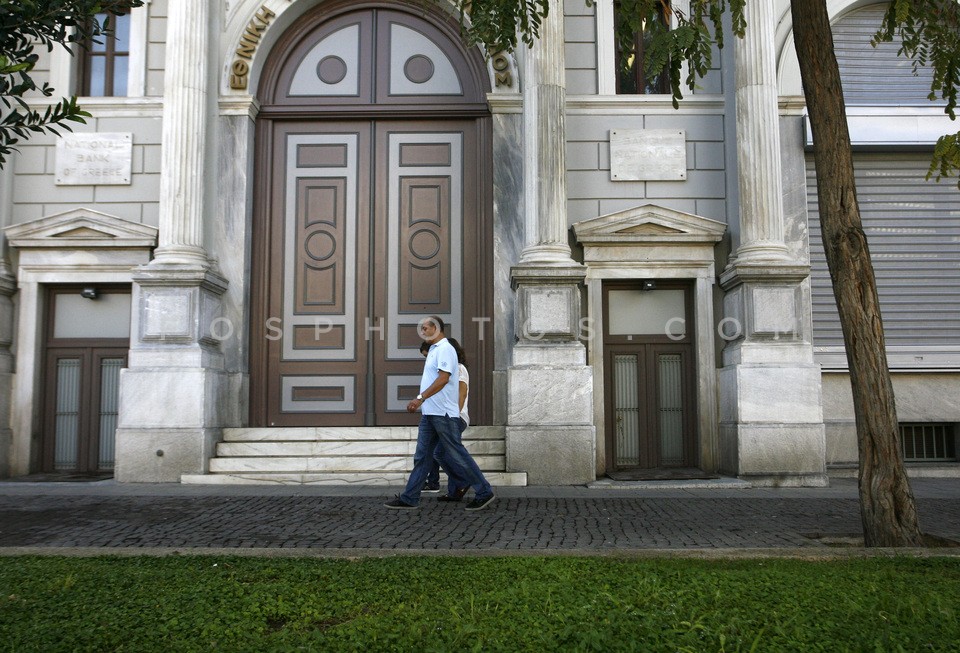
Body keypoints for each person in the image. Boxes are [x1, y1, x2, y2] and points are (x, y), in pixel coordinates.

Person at [384, 316, 495, 511]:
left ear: (436, 328)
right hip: (430, 413)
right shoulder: (435, 350)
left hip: (443, 412)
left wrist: (420, 397)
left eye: (425, 328)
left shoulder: (445, 349)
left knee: (456, 452)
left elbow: (444, 378)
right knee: (423, 456)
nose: (422, 332)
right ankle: (410, 498)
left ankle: (484, 491)